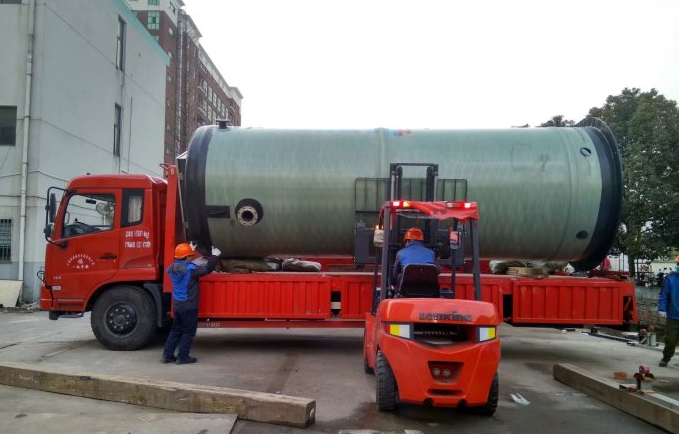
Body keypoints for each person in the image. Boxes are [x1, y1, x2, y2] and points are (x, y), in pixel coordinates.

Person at [162, 241, 221, 365]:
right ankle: (183, 357)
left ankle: (167, 355)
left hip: (177, 304)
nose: (192, 256)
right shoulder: (191, 270)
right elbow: (208, 269)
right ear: (187, 257)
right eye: (190, 255)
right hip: (189, 306)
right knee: (189, 331)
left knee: (176, 330)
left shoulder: (171, 268)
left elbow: (182, 263)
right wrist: (214, 256)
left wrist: (189, 251)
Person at [658, 256, 679, 367]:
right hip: (673, 316)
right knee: (670, 340)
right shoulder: (670, 278)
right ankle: (666, 357)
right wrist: (662, 308)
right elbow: (664, 294)